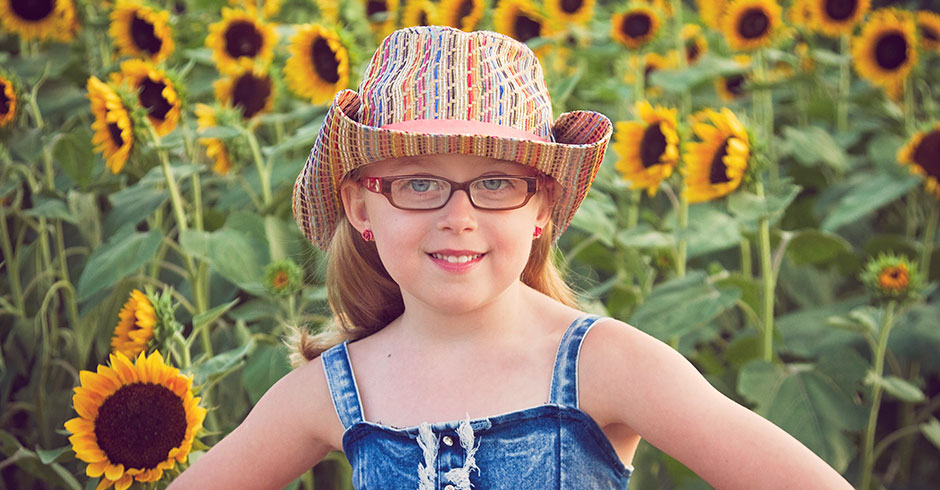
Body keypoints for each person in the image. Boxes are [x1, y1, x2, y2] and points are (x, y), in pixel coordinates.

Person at [170, 26, 854, 490]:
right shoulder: (338, 388)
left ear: (541, 209)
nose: (457, 215)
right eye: (418, 182)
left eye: (496, 182)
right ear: (360, 206)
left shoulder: (603, 364)